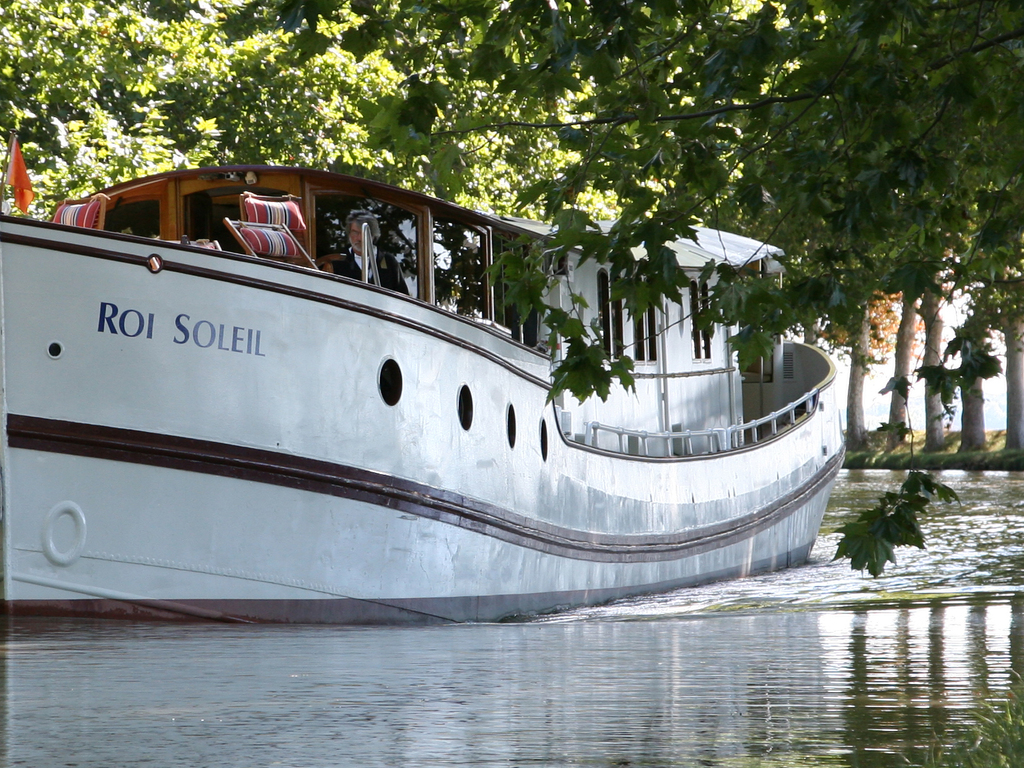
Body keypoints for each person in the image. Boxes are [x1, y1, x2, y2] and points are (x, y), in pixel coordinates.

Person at [319, 210, 410, 295]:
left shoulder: (389, 261)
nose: (359, 238)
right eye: (355, 232)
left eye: (364, 233)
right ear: (349, 234)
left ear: (374, 235)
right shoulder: (336, 262)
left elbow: (402, 298)